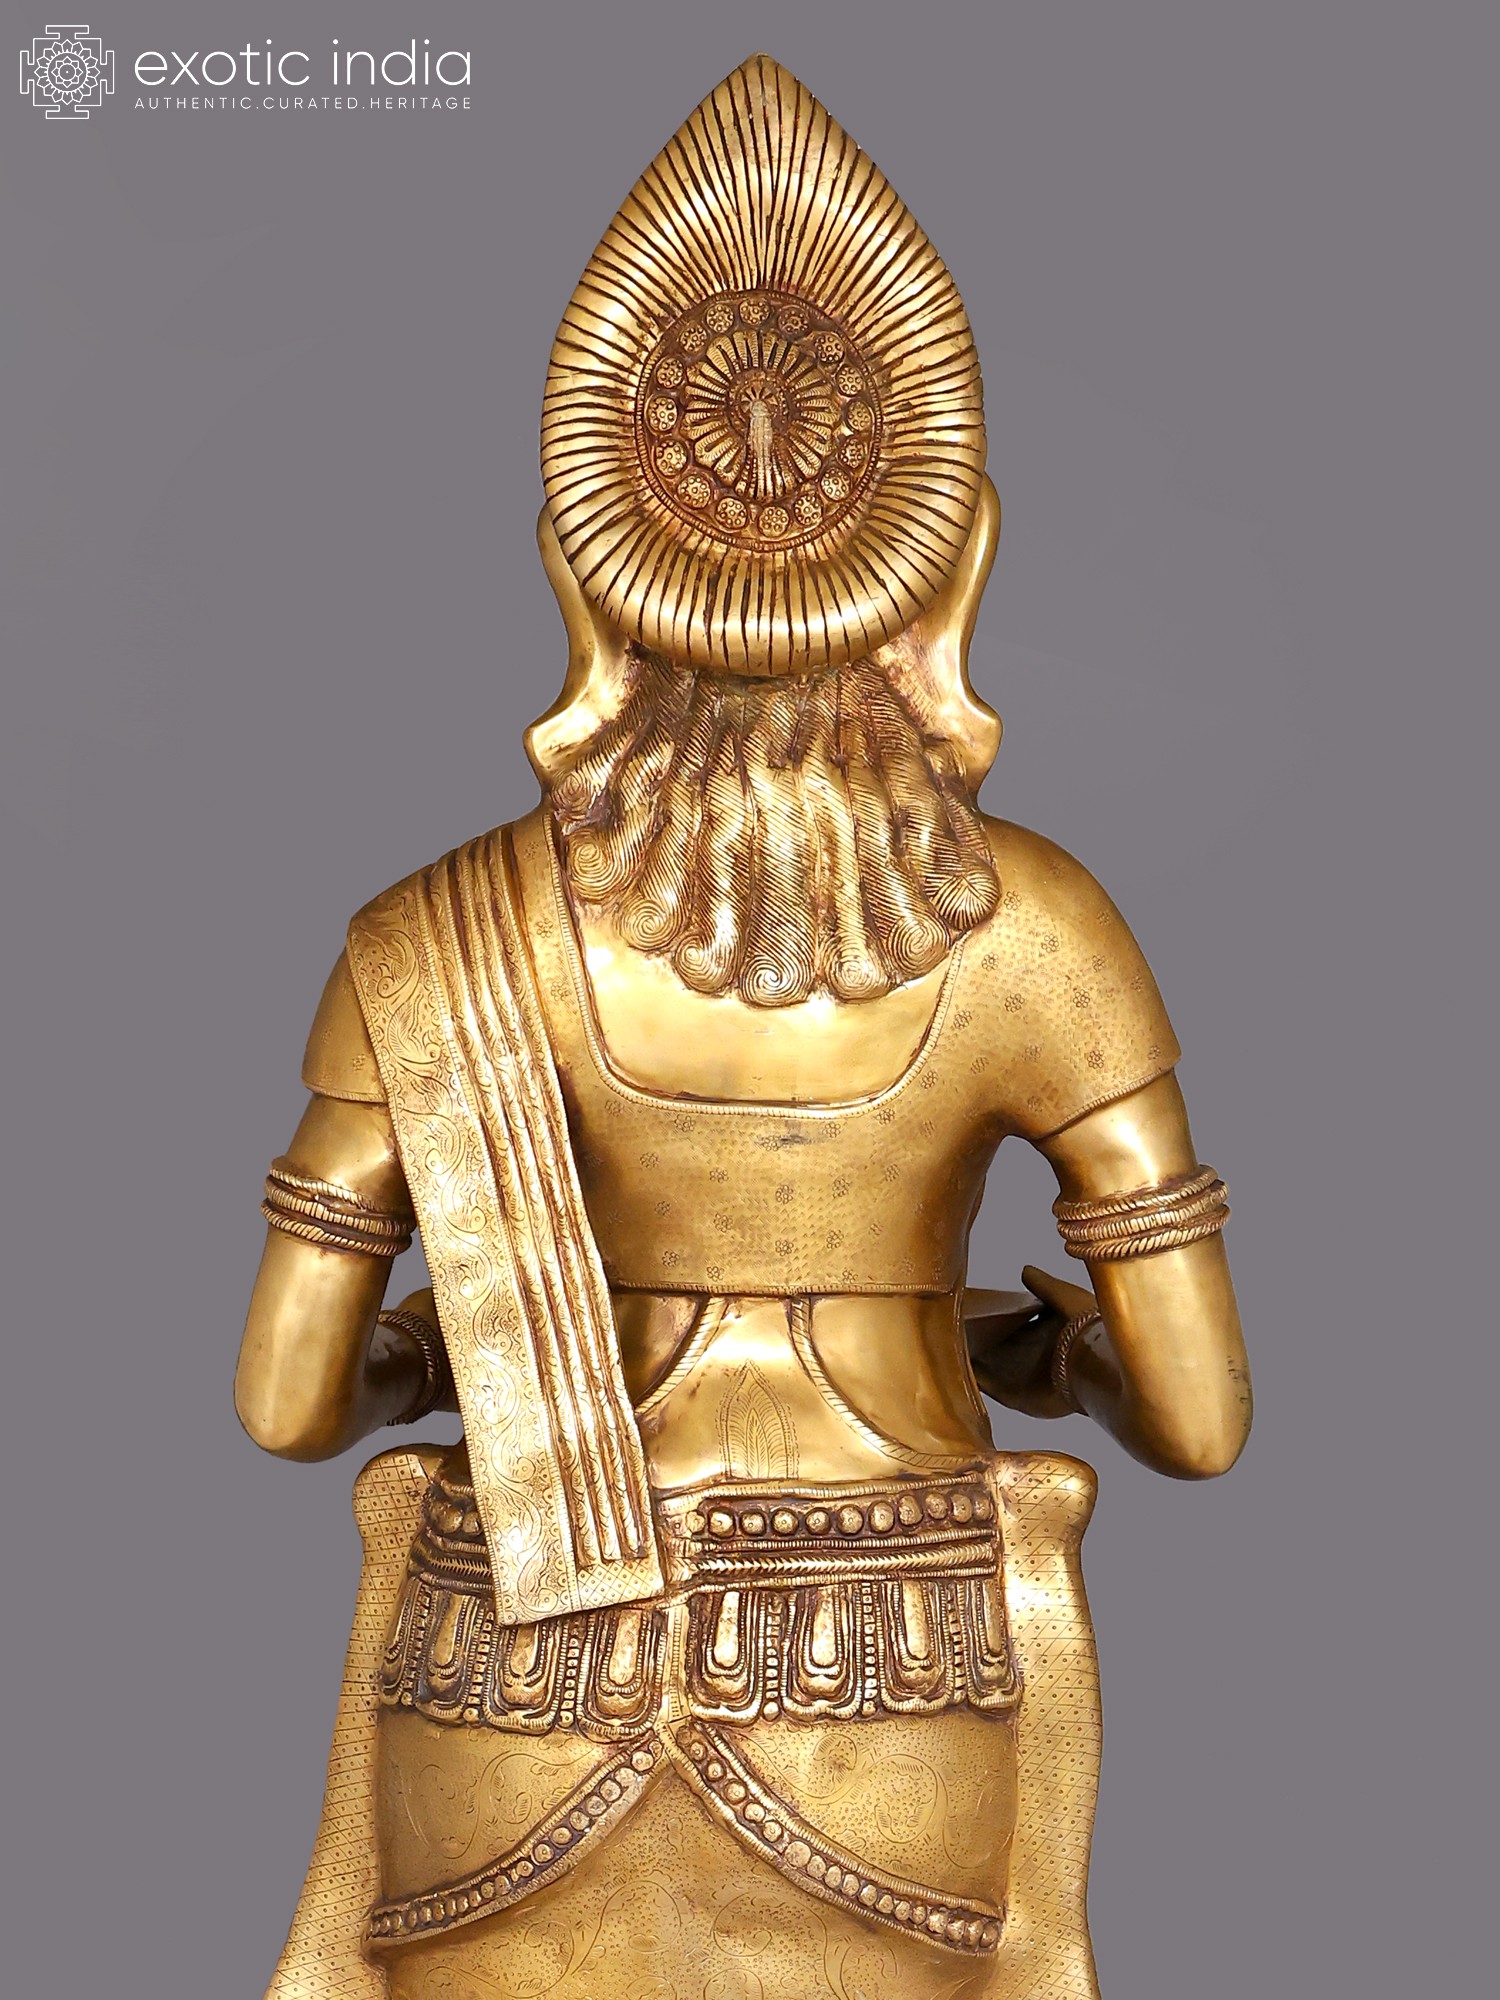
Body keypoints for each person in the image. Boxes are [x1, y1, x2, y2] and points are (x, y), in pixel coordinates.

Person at [236, 57, 1250, 2000]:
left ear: (580, 576)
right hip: (891, 1671)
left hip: (520, 1661)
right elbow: (1199, 1419)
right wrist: (1046, 1357)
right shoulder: (1037, 932)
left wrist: (464, 1343)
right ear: (957, 570)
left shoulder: (435, 933)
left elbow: (290, 1400)